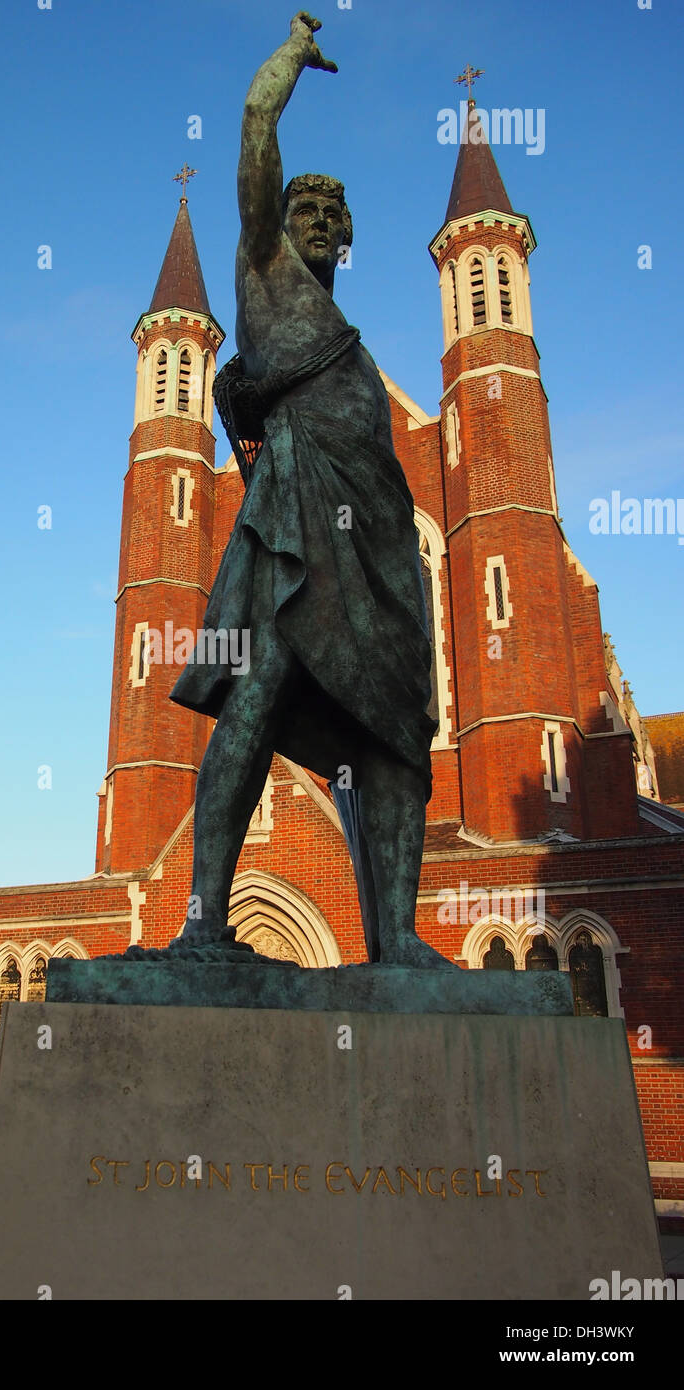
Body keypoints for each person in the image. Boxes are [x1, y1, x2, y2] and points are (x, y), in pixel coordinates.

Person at [163, 13, 452, 969]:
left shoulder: (353, 345)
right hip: (290, 523)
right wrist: (291, 55)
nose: (320, 225)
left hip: (372, 546)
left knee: (395, 732)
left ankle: (397, 939)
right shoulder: (261, 267)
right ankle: (207, 919)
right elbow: (254, 126)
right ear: (277, 224)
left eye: (335, 216)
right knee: (254, 697)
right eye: (305, 211)